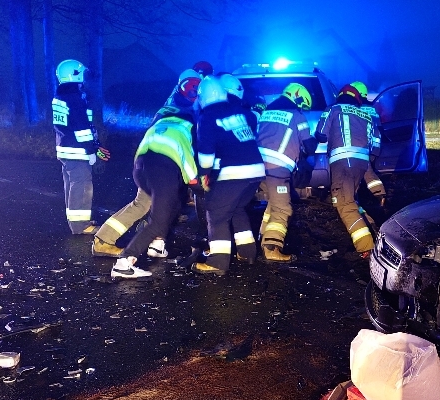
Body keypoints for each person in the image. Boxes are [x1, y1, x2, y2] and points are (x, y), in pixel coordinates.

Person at [93, 70, 201, 257]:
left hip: (148, 160)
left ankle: (108, 239)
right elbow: (186, 147)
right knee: (156, 205)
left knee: (143, 204)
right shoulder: (187, 113)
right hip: (165, 166)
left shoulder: (169, 106)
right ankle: (114, 242)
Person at [111, 115, 202, 279]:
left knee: (174, 203)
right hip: (163, 173)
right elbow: (189, 165)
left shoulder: (160, 125)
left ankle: (157, 244)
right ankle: (124, 263)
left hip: (140, 171)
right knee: (159, 221)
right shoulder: (186, 130)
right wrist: (200, 190)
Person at [192, 76, 265, 275]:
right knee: (238, 209)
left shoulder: (206, 117)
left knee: (216, 213)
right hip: (256, 170)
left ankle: (217, 262)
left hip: (234, 172)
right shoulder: (239, 112)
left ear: (202, 97)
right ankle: (247, 252)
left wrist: (203, 174)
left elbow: (206, 158)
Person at [255, 82, 316, 262]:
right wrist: (317, 138)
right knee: (283, 208)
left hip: (258, 167)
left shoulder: (266, 112)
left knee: (274, 203)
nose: (302, 108)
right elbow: (310, 146)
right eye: (302, 105)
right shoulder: (297, 115)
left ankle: (263, 237)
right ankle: (272, 248)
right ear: (297, 97)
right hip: (277, 169)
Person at [315, 83, 375, 255]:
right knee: (352, 199)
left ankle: (366, 248)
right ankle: (375, 231)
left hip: (342, 162)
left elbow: (321, 134)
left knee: (344, 203)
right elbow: (373, 142)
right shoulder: (365, 114)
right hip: (362, 164)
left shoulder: (333, 109)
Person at [52, 59, 109, 234]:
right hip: (78, 151)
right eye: (82, 74)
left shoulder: (61, 96)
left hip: (66, 149)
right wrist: (91, 150)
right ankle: (80, 226)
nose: (84, 78)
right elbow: (82, 129)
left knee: (72, 185)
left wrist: (95, 145)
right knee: (82, 185)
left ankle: (76, 221)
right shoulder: (75, 98)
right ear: (74, 75)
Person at [349, 80, 386, 203]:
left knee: (360, 173)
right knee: (369, 171)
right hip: (374, 149)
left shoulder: (355, 109)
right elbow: (380, 128)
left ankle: (359, 199)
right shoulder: (372, 109)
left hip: (361, 147)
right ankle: (378, 195)